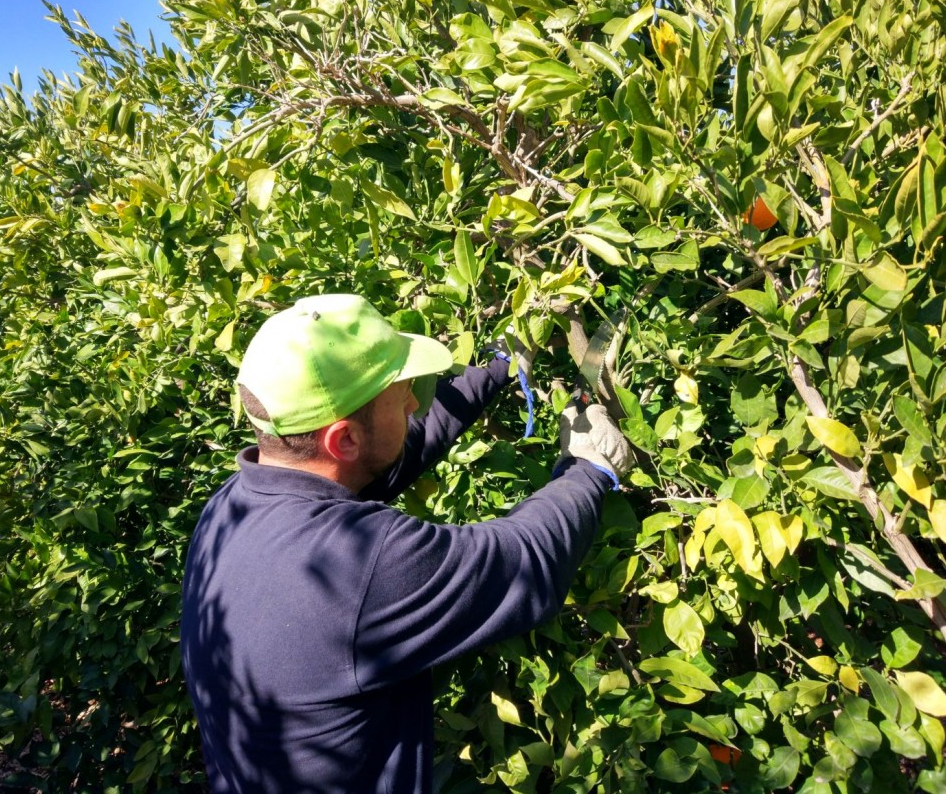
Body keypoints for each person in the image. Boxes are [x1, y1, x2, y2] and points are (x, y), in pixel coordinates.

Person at [180, 293, 633, 793]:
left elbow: (393, 449)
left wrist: (499, 368)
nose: (415, 401)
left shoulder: (234, 504)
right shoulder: (361, 565)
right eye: (401, 398)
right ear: (342, 439)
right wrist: (589, 468)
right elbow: (526, 563)